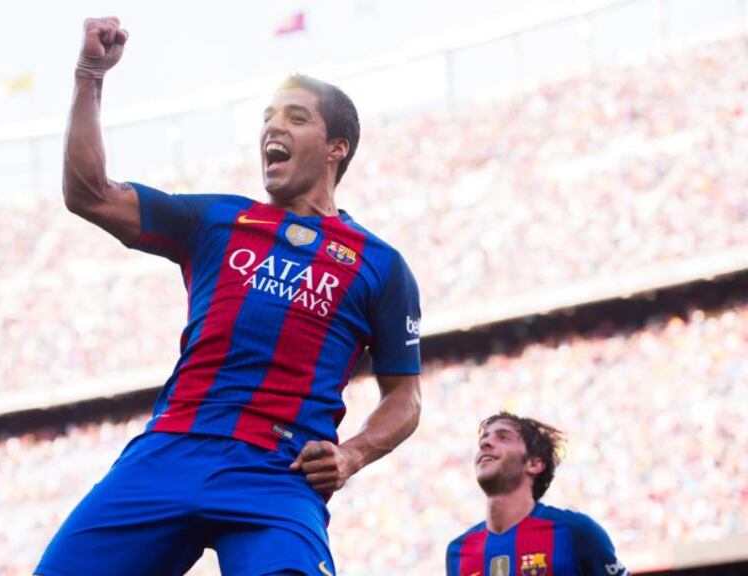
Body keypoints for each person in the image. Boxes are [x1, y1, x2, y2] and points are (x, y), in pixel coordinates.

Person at [36, 17, 423, 576]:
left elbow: (404, 399)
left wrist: (353, 453)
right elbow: (89, 194)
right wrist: (89, 75)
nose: (274, 126)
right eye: (268, 117)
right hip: (171, 449)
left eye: (296, 116)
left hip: (278, 472)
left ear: (337, 147)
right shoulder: (217, 219)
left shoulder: (380, 266)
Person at [446, 412, 629, 576]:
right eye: (483, 440)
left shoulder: (576, 531)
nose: (485, 443)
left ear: (534, 464)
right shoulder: (458, 551)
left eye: (503, 437)